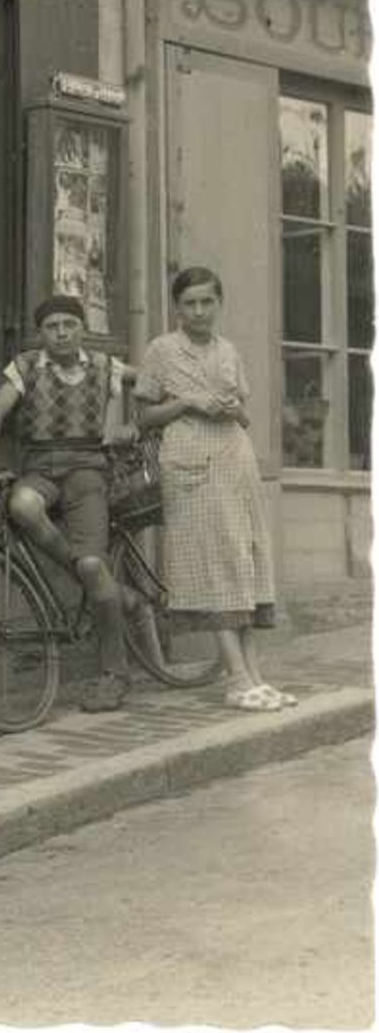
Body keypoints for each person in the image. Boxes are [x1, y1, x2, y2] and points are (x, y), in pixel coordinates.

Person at [0, 294, 138, 713]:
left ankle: (115, 673)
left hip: (88, 470)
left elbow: (151, 385)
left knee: (96, 565)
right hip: (39, 466)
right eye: (52, 326)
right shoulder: (25, 367)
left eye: (69, 325)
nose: (61, 333)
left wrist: (133, 422)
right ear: (41, 333)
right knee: (21, 506)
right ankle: (101, 585)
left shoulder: (105, 366)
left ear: (82, 329)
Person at [133, 266, 295, 712]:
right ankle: (237, 679)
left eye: (207, 302)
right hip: (190, 465)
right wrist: (187, 402)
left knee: (243, 562)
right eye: (190, 303)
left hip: (234, 461)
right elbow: (143, 418)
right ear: (177, 307)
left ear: (219, 304)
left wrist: (230, 408)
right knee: (213, 566)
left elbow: (243, 411)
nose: (199, 311)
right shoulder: (162, 350)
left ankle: (254, 676)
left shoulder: (229, 350)